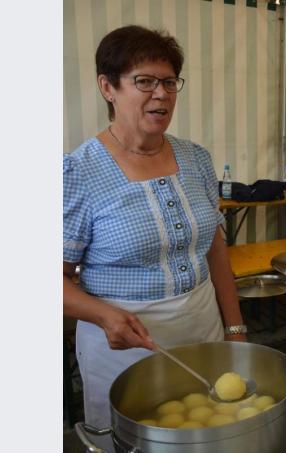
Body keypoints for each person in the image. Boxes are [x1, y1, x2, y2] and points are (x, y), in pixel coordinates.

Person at [63, 25, 246, 428]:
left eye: (168, 82)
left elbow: (215, 248)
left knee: (209, 432)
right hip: (124, 347)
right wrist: (102, 316)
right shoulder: (78, 171)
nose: (161, 94)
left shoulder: (195, 158)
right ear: (108, 87)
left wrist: (235, 329)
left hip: (203, 330)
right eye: (143, 81)